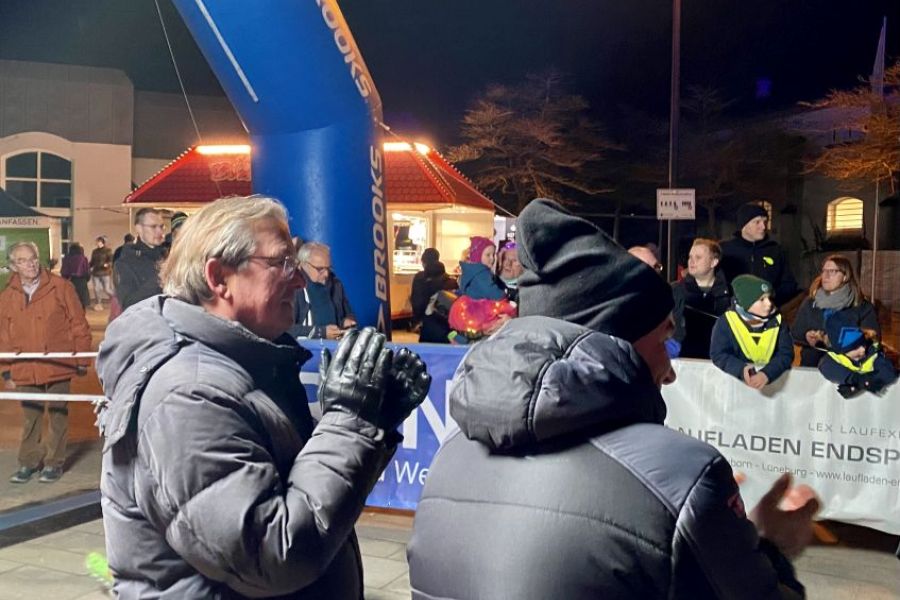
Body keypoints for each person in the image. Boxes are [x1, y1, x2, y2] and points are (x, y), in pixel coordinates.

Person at [408, 199, 818, 599]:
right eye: (662, 340)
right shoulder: (681, 474)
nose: (670, 371)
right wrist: (769, 547)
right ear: (622, 341)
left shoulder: (451, 450)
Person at [96, 195, 431, 598]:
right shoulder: (188, 396)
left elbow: (302, 494)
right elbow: (273, 555)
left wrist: (369, 424)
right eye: (282, 263)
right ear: (219, 277)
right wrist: (348, 424)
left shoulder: (248, 366)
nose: (300, 281)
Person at [1, 242, 91, 484]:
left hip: (57, 363)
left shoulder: (61, 287)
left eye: (33, 258)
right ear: (13, 266)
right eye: (22, 261)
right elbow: (3, 336)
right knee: (30, 417)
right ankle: (28, 462)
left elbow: (78, 323)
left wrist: (81, 359)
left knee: (58, 414)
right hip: (25, 366)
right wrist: (6, 370)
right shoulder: (7, 297)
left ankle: (53, 463)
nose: (30, 264)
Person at [791, 255, 879, 367]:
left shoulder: (862, 307)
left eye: (832, 271)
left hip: (847, 369)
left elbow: (872, 339)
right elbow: (795, 333)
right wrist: (806, 336)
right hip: (812, 368)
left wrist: (830, 340)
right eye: (824, 271)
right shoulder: (810, 303)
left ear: (845, 276)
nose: (826, 276)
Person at [711, 274, 794, 390]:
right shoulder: (726, 322)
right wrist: (741, 370)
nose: (769, 303)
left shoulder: (778, 322)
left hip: (772, 388)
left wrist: (767, 373)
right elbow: (719, 354)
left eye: (769, 298)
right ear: (746, 303)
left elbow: (786, 354)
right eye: (761, 299)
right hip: (735, 387)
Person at [720, 202, 799, 302]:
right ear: (744, 225)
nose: (764, 227)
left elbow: (788, 283)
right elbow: (718, 284)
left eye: (765, 221)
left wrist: (770, 298)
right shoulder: (726, 250)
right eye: (757, 222)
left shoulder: (775, 250)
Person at [672, 238, 732, 359]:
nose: (691, 261)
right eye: (690, 257)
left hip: (720, 360)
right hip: (684, 359)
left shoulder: (730, 293)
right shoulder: (675, 290)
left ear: (714, 262)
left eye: (698, 257)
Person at [818, 311, 897, 398]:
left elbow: (889, 372)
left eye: (863, 344)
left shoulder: (872, 352)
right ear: (842, 351)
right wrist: (855, 378)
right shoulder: (834, 358)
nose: (862, 349)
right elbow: (826, 367)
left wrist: (859, 385)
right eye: (855, 348)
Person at [288, 242, 356, 340]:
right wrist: (320, 332)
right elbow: (285, 330)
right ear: (303, 265)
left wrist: (347, 322)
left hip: (334, 345)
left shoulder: (336, 285)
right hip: (305, 347)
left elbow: (348, 314)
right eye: (320, 269)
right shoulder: (292, 288)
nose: (326, 274)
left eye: (328, 268)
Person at [114, 208, 166, 311]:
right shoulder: (125, 263)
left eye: (161, 226)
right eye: (153, 227)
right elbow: (128, 303)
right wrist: (160, 279)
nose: (159, 231)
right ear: (139, 229)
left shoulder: (168, 255)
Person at [410, 248, 457, 344]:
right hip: (448, 327)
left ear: (424, 262)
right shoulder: (451, 281)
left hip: (428, 325)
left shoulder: (420, 279)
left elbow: (417, 302)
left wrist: (417, 321)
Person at [60, 242, 91, 308]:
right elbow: (87, 271)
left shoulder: (67, 258)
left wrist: (65, 279)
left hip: (70, 280)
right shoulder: (83, 258)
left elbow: (64, 271)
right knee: (81, 301)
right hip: (81, 281)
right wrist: (86, 279)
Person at [89, 236, 115, 311]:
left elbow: (111, 261)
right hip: (96, 272)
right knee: (96, 289)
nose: (97, 243)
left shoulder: (108, 251)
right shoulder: (94, 251)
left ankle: (116, 299)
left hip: (105, 272)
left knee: (107, 289)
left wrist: (107, 264)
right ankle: (98, 303)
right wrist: (88, 266)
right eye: (97, 241)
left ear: (102, 242)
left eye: (98, 241)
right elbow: (92, 262)